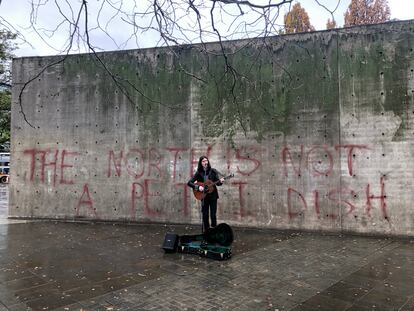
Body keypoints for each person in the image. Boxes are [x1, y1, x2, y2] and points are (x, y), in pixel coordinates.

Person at [188, 156, 225, 232]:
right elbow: (189, 183)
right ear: (201, 163)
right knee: (205, 215)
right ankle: (207, 232)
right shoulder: (199, 173)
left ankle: (214, 231)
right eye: (203, 161)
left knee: (213, 215)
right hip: (204, 196)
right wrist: (198, 187)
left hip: (213, 196)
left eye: (206, 161)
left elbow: (217, 183)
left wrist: (220, 182)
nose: (205, 162)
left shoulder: (213, 171)